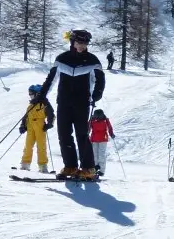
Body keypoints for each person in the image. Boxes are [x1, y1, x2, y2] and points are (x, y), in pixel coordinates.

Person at [35, 29, 104, 180]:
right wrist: (41, 95)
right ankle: (70, 166)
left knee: (82, 134)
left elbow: (100, 80)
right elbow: (51, 79)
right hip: (64, 102)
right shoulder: (62, 59)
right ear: (72, 42)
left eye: (85, 43)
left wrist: (96, 95)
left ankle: (88, 168)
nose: (82, 46)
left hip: (82, 103)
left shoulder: (92, 60)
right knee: (64, 134)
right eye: (79, 42)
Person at [19, 84, 55, 173]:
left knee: (41, 146)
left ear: (37, 94)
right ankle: (25, 164)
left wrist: (49, 124)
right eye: (29, 94)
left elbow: (51, 115)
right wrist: (23, 126)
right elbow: (26, 117)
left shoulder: (44, 104)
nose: (30, 95)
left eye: (31, 94)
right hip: (30, 126)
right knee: (28, 145)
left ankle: (43, 166)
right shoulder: (30, 105)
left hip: (40, 126)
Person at [89, 109, 115, 175]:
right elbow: (88, 128)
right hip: (94, 139)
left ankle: (102, 170)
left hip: (103, 139)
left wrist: (111, 133)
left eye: (99, 116)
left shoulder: (105, 120)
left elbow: (109, 127)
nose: (97, 118)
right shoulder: (92, 120)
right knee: (94, 154)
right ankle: (95, 167)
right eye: (96, 116)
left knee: (101, 155)